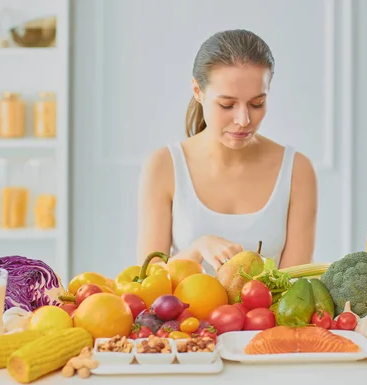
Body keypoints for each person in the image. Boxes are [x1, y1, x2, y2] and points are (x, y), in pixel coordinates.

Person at [136, 29, 318, 273]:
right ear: (197, 92)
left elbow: (294, 287)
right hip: (185, 313)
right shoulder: (163, 165)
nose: (243, 120)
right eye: (227, 105)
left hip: (267, 313)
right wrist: (197, 248)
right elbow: (146, 280)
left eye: (257, 104)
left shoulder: (297, 170)